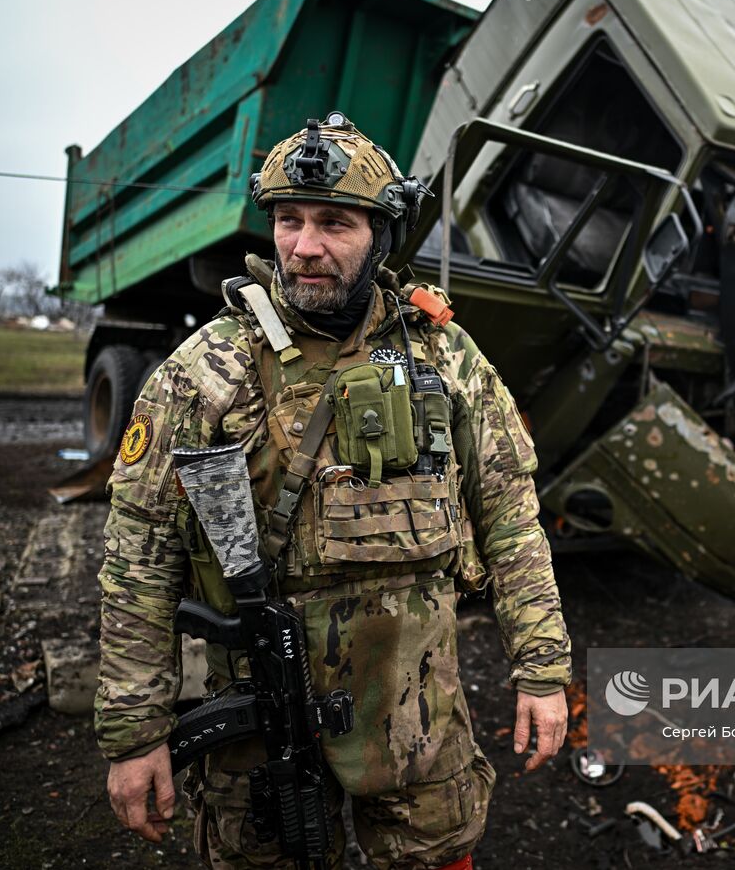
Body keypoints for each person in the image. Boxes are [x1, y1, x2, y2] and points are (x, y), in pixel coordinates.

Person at [95, 113, 572, 869]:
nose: (304, 246)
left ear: (382, 235)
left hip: (418, 714)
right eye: (288, 220)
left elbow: (512, 520)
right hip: (262, 723)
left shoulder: (445, 354)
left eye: (334, 223)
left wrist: (542, 670)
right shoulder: (207, 368)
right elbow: (139, 560)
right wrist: (134, 733)